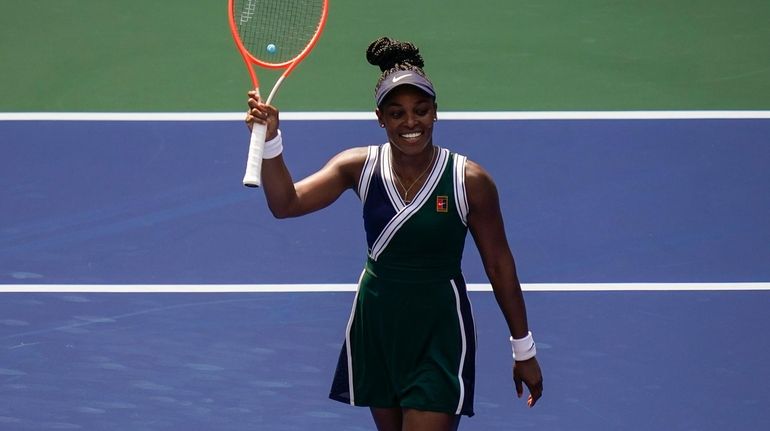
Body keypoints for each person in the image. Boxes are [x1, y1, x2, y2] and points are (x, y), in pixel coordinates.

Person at [245, 36, 543, 431]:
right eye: (397, 113)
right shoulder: (358, 166)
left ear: (436, 113)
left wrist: (523, 348)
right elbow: (286, 204)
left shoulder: (469, 181)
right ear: (380, 118)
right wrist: (270, 141)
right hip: (378, 325)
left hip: (439, 330)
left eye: (420, 110)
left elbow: (500, 265)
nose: (410, 123)